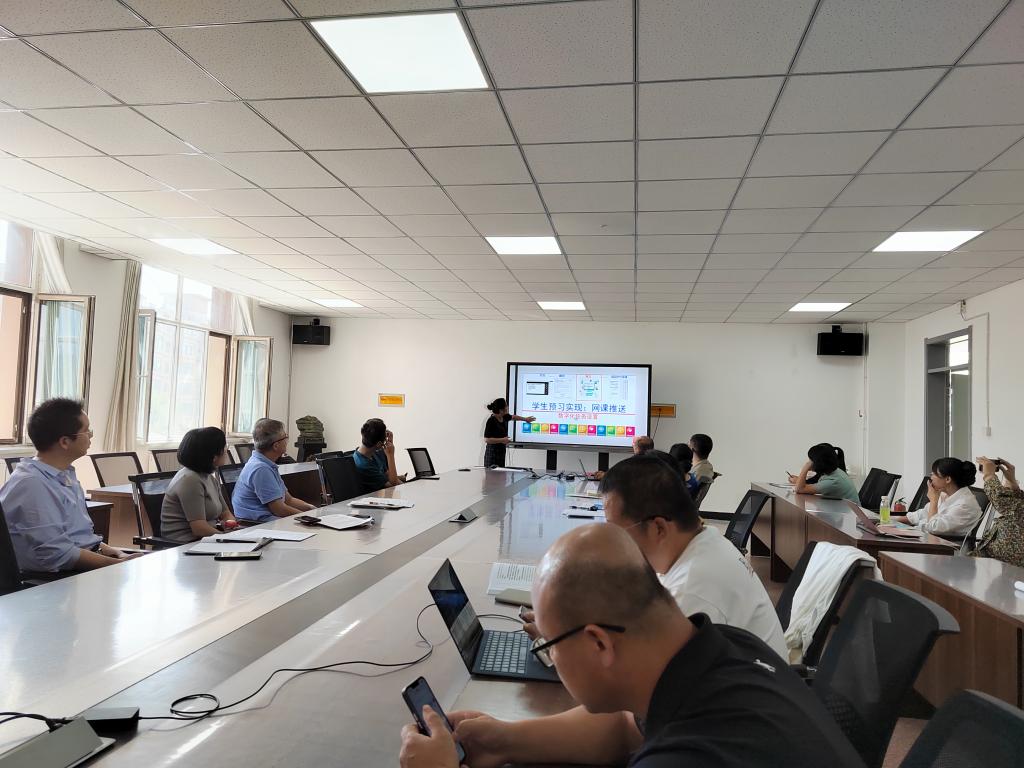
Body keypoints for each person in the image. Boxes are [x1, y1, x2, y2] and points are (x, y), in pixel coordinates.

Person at [399, 524, 863, 768]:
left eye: (552, 646)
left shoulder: (689, 757)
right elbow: (626, 727)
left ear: (598, 643)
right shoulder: (726, 646)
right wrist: (503, 739)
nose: (551, 658)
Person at [601, 454, 786, 657]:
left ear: (658, 528)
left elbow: (653, 668)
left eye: (615, 530)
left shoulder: (692, 591)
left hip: (748, 675)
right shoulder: (705, 539)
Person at [0, 398, 139, 572]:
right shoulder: (32, 485)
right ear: (65, 441)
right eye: (86, 431)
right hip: (57, 578)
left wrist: (116, 553)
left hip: (80, 566)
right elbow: (57, 554)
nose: (91, 435)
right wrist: (117, 566)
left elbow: (80, 537)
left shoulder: (64, 474)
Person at [232, 418, 317, 523]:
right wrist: (309, 518)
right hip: (258, 525)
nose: (287, 440)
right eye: (285, 437)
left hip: (271, 520)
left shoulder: (267, 464)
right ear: (276, 446)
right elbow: (279, 510)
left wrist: (312, 509)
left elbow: (288, 500)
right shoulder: (261, 469)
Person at [161, 427, 236, 543]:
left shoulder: (209, 477)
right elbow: (199, 529)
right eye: (223, 446)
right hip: (184, 544)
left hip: (206, 540)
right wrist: (228, 538)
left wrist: (232, 527)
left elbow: (225, 513)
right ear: (213, 455)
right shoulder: (190, 480)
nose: (226, 449)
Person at [895, 457, 982, 535]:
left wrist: (934, 500)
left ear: (947, 479)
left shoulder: (965, 505)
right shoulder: (945, 495)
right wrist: (892, 521)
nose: (931, 477)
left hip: (942, 546)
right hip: (923, 537)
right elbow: (922, 514)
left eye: (934, 474)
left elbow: (933, 528)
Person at [973, 456, 1024, 567]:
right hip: (992, 561)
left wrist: (989, 475)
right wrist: (1012, 483)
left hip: (1008, 567)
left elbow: (1004, 502)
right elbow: (1015, 505)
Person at [792, 443, 859, 503]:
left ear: (818, 463)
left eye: (810, 460)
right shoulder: (834, 471)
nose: (809, 462)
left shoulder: (832, 481)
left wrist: (805, 468)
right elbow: (805, 487)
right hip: (842, 509)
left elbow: (799, 489)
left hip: (849, 512)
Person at [353, 418, 406, 493]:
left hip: (386, 495)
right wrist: (390, 455)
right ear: (379, 444)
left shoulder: (374, 453)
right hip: (377, 498)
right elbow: (393, 485)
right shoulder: (364, 466)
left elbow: (389, 476)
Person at [482, 398, 535, 467]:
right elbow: (487, 439)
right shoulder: (491, 420)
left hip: (501, 452)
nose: (507, 407)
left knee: (501, 472)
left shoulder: (504, 416)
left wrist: (525, 419)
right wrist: (502, 440)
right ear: (501, 410)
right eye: (506, 406)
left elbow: (513, 417)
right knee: (492, 473)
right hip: (492, 454)